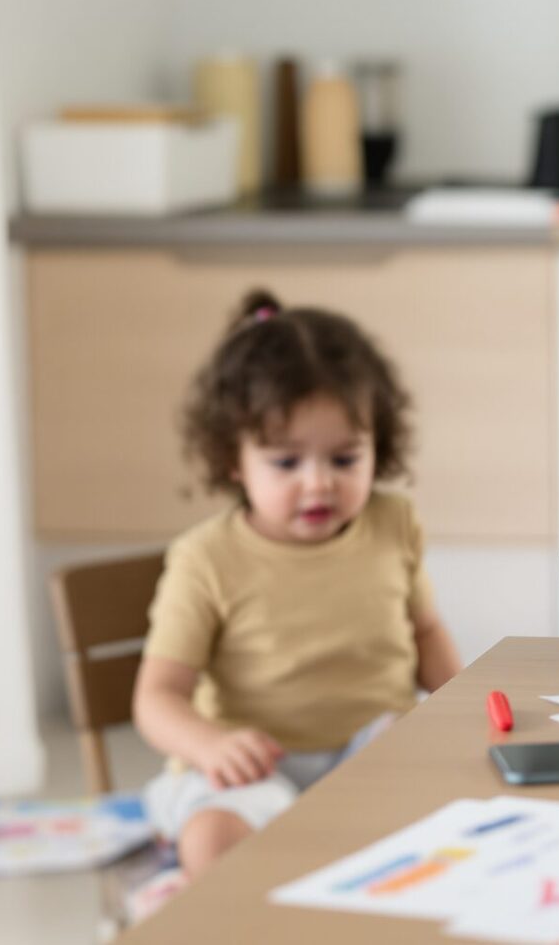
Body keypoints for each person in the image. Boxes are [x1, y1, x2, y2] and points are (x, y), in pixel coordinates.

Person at [132, 290, 461, 879]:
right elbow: (156, 697)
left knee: (452, 786)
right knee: (210, 841)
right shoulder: (205, 559)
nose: (318, 485)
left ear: (376, 446)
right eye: (287, 463)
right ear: (233, 458)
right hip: (253, 768)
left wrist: (458, 706)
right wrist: (210, 745)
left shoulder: (393, 523)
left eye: (344, 459)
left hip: (369, 751)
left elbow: (426, 632)